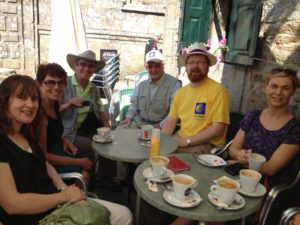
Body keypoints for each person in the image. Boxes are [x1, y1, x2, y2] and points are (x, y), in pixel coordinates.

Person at [0, 75, 132, 225]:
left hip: (54, 204)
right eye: (22, 97)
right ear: (5, 101)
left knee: (124, 214)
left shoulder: (25, 132)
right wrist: (64, 197)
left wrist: (64, 189)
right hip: (36, 218)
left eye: (34, 98)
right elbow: (12, 204)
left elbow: (44, 163)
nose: (30, 104)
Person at [229, 68, 300, 189]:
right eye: (274, 86)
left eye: (285, 88)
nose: (278, 92)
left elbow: (271, 169)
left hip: (264, 186)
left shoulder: (294, 129)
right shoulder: (253, 116)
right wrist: (239, 155)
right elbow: (233, 149)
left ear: (293, 92)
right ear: (266, 88)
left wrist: (243, 161)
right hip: (237, 175)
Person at [60, 50, 121, 190]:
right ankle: (89, 183)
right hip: (68, 132)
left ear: (94, 69)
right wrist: (68, 104)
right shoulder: (64, 84)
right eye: (83, 64)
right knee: (90, 146)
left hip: (86, 128)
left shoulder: (93, 87)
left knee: (108, 141)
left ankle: (106, 177)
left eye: (90, 66)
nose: (86, 68)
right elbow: (50, 111)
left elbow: (101, 110)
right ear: (75, 66)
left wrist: (108, 129)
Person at [162, 42, 230, 154]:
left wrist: (186, 141)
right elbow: (171, 120)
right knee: (155, 150)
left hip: (207, 145)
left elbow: (218, 129)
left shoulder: (218, 90)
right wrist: (162, 138)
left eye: (200, 62)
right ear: (186, 66)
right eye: (191, 62)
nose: (195, 66)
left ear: (207, 65)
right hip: (182, 138)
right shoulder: (181, 93)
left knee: (168, 158)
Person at [36, 63, 92, 181]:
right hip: (46, 164)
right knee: (85, 174)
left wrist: (64, 140)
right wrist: (78, 162)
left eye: (60, 82)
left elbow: (52, 130)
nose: (56, 87)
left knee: (88, 162)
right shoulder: (39, 114)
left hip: (58, 150)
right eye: (50, 82)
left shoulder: (54, 104)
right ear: (40, 84)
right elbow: (42, 156)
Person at [119, 49, 181, 129]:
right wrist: (129, 117)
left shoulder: (174, 84)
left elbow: (174, 112)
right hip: (140, 122)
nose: (153, 70)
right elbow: (134, 104)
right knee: (120, 130)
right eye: (150, 66)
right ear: (146, 67)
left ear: (163, 65)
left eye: (157, 66)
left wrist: (160, 125)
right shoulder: (141, 84)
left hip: (161, 125)